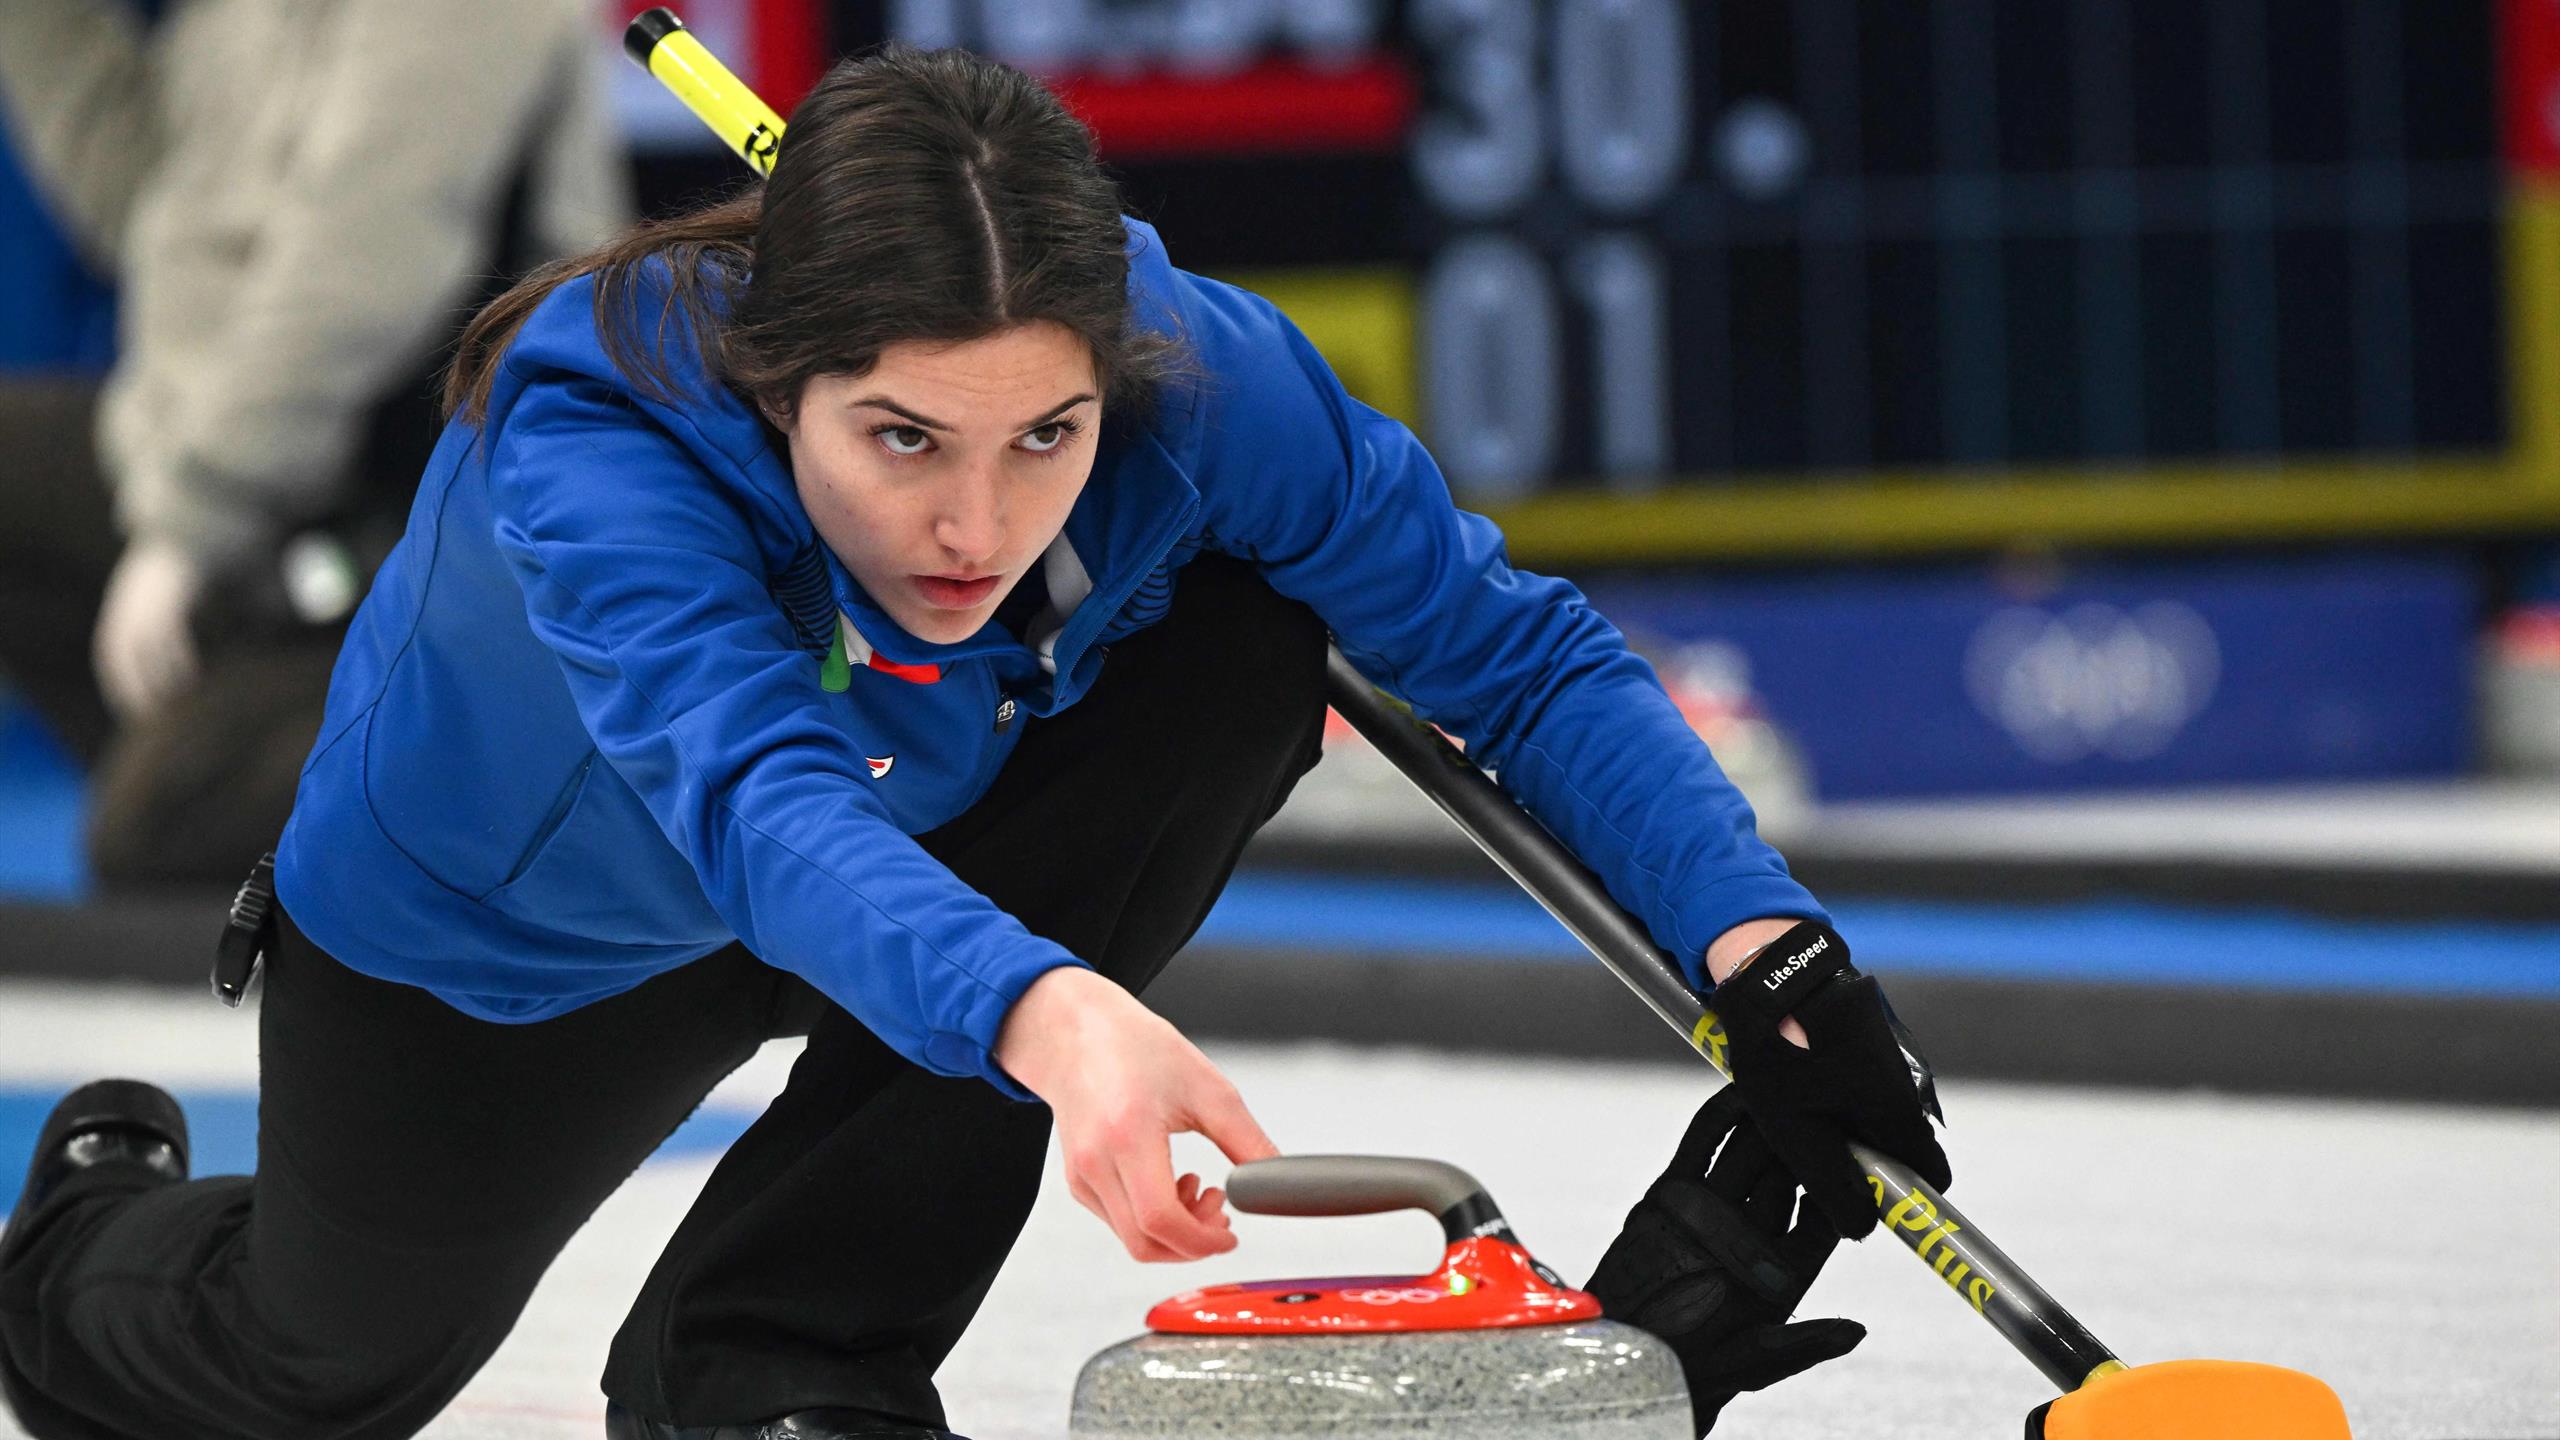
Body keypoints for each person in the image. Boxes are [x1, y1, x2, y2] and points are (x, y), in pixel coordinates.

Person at [0, 43, 1950, 1440]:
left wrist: (1755, 945)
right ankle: (84, 1219)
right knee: (305, 1374)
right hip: (520, 948)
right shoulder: (593, 435)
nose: (977, 524)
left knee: (1254, 640)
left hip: (922, 863)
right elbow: (757, 806)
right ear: (781, 388)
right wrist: (1051, 1013)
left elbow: (1510, 658)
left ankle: (774, 1362)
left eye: (1046, 438)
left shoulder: (1202, 373)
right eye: (901, 442)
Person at [0, 0, 630, 886]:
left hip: (429, 536)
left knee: (154, 831)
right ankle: (231, 739)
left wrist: (186, 525)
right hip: (269, 491)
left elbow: (355, 283)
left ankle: (521, 791)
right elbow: (163, 219)